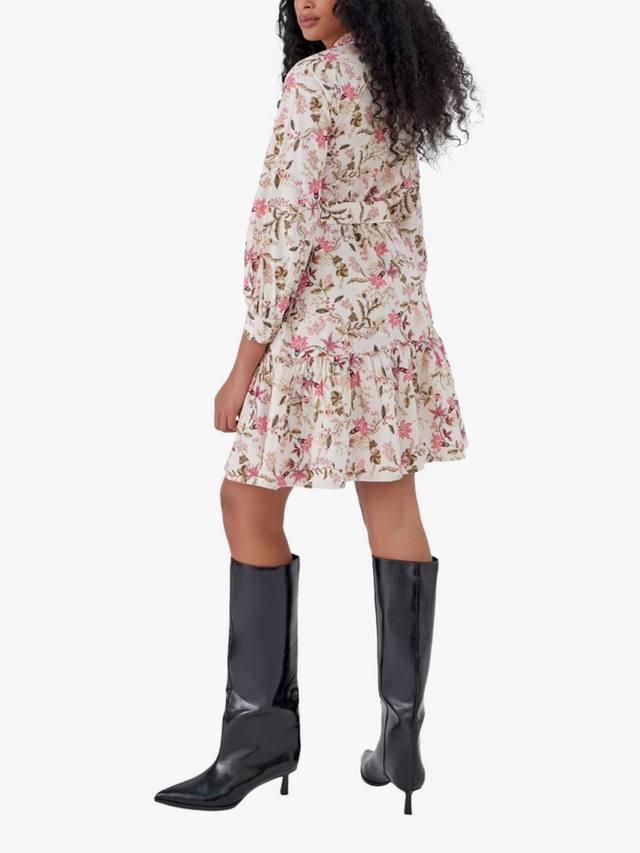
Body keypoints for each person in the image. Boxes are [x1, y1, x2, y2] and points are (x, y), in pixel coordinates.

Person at [155, 0, 480, 815]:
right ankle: (402, 736)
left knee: (245, 499)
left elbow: (283, 230)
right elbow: (405, 223)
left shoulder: (315, 85)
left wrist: (242, 365)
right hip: (393, 332)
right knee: (393, 506)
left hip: (317, 339)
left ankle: (257, 738)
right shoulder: (399, 82)